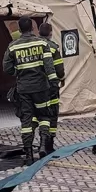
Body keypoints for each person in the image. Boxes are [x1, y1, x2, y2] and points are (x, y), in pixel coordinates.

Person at [3, 17, 56, 166]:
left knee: (27, 120)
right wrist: (53, 83)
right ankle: (43, 146)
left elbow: (6, 68)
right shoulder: (42, 43)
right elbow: (49, 66)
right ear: (33, 29)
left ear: (19, 30)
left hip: (24, 89)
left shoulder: (13, 46)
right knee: (45, 116)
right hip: (41, 88)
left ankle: (28, 155)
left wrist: (19, 72)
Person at [38, 23, 65, 153]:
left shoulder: (34, 45)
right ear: (50, 33)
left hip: (36, 86)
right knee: (52, 113)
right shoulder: (53, 47)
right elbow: (59, 69)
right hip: (51, 86)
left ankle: (36, 143)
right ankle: (48, 144)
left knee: (36, 114)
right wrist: (61, 78)